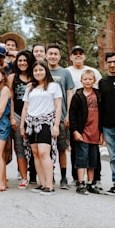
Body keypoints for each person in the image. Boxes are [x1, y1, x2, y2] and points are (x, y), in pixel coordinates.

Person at [20, 60, 62, 196]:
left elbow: (58, 107)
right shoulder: (30, 88)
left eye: (41, 70)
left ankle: (50, 185)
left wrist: (56, 126)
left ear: (46, 71)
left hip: (46, 122)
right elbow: (25, 108)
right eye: (36, 70)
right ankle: (42, 183)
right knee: (36, 154)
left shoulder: (54, 86)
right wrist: (22, 126)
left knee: (44, 153)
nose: (38, 72)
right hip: (31, 123)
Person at [66, 45, 102, 189]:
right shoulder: (68, 72)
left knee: (93, 156)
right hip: (80, 124)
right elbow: (72, 108)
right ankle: (78, 180)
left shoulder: (94, 73)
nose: (78, 56)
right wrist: (71, 124)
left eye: (81, 53)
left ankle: (92, 182)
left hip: (94, 127)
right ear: (71, 56)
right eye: (75, 54)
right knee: (79, 153)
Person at [46, 43, 74, 189]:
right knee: (47, 149)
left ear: (59, 56)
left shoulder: (65, 73)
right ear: (46, 55)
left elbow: (69, 93)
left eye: (55, 54)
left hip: (61, 116)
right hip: (44, 116)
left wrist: (68, 113)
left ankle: (64, 178)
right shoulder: (42, 70)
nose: (53, 56)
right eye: (50, 53)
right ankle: (50, 176)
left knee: (62, 148)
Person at [8, 50, 36, 189]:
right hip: (18, 115)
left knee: (35, 147)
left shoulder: (35, 75)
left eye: (25, 60)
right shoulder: (13, 77)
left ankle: (37, 176)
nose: (22, 63)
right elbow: (10, 98)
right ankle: (24, 177)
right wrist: (12, 117)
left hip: (35, 115)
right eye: (20, 60)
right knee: (20, 147)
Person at [99, 52, 115, 195]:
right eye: (109, 62)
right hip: (108, 126)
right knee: (114, 157)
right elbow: (101, 106)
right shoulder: (103, 82)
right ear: (106, 64)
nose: (112, 65)